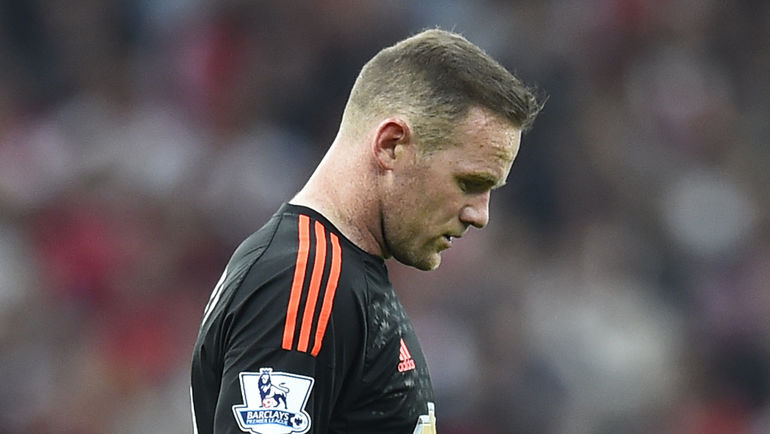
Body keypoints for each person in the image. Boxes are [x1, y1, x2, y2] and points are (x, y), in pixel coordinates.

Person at [190, 28, 542, 434]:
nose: (480, 215)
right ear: (391, 145)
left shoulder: (340, 275)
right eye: (469, 183)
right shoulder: (304, 279)